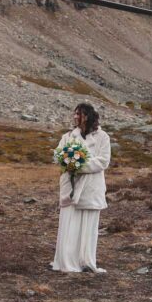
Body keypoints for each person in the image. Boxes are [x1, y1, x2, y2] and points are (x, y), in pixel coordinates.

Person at [51, 102, 110, 273]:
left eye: (80, 114)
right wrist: (68, 162)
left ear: (89, 116)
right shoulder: (68, 136)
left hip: (91, 188)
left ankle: (85, 260)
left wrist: (79, 164)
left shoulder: (102, 137)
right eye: (75, 114)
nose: (76, 117)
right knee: (70, 222)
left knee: (88, 226)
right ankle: (67, 260)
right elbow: (58, 156)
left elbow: (103, 161)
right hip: (71, 186)